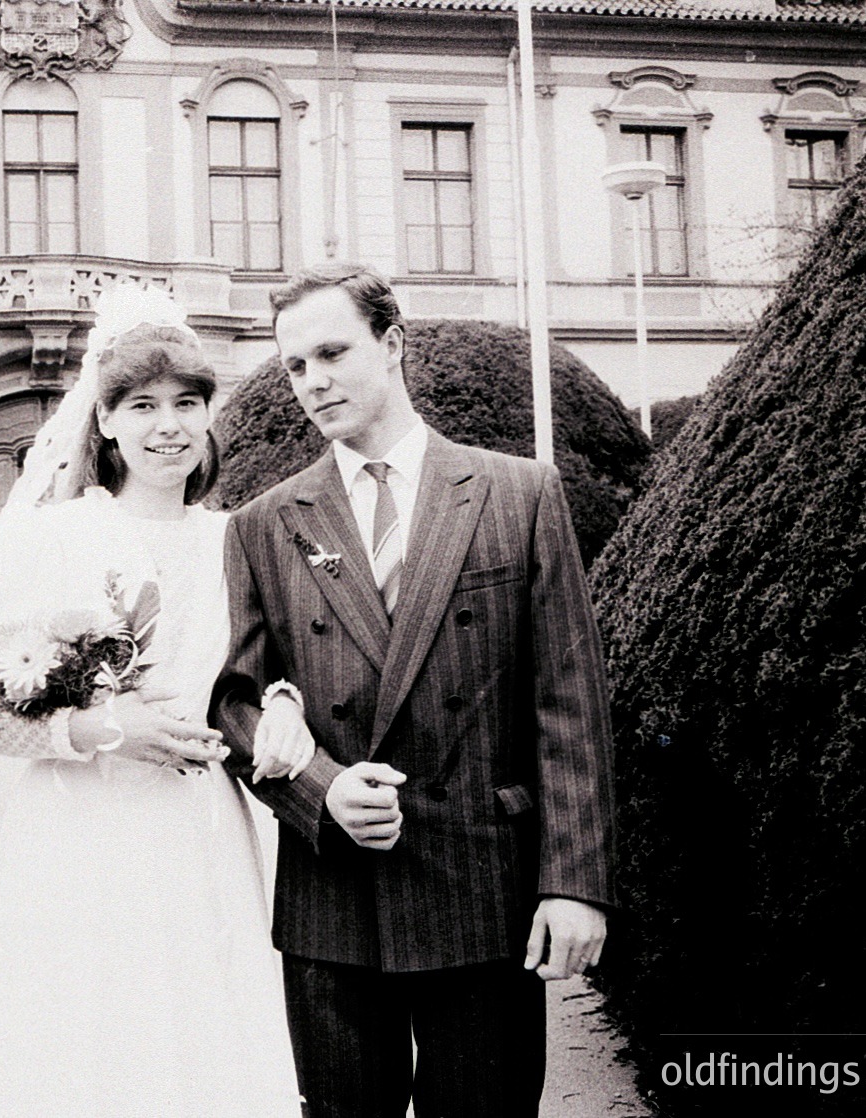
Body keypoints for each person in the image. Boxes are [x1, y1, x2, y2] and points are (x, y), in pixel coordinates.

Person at [210, 263, 616, 1118]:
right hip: (334, 905)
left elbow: (569, 705)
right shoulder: (263, 524)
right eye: (294, 366)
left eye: (331, 352)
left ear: (392, 344)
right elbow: (236, 705)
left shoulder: (518, 493)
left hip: (482, 891)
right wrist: (321, 793)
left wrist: (574, 883)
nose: (313, 382)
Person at [0, 285, 303, 1118]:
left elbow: (268, 669)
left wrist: (285, 699)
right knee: (88, 1040)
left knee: (199, 1029)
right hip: (80, 831)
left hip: (199, 831)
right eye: (141, 405)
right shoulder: (54, 536)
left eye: (187, 402)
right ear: (103, 420)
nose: (167, 425)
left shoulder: (237, 542)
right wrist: (101, 727)